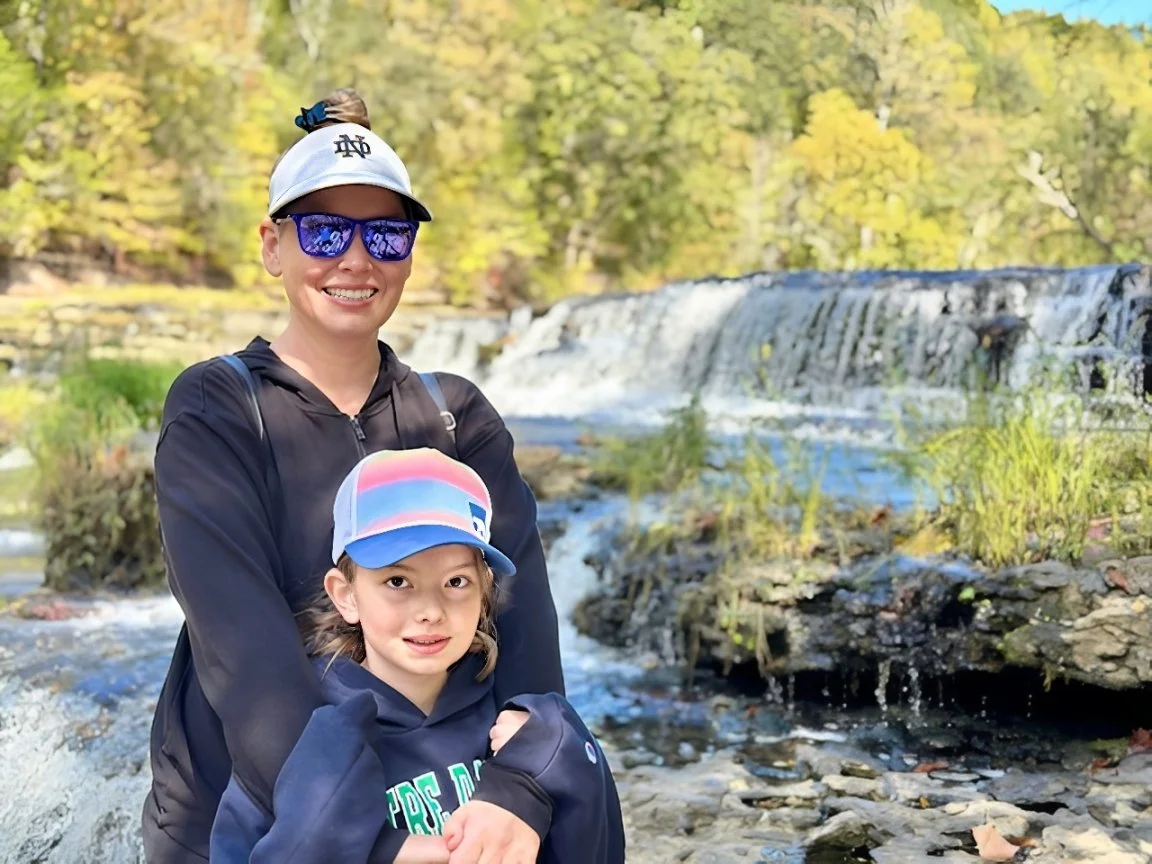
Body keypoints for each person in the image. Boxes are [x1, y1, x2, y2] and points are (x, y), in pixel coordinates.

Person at [142, 88, 564, 863]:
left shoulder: (455, 420)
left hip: (447, 811)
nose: (357, 258)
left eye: (387, 234)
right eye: (325, 229)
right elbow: (247, 660)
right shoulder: (218, 411)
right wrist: (372, 838)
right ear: (272, 246)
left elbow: (527, 633)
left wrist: (525, 790)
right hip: (247, 822)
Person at [209, 448, 625, 864]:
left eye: (456, 581)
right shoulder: (298, 723)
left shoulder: (507, 718)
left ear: (485, 593)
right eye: (397, 581)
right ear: (346, 595)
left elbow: (596, 842)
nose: (430, 610)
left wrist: (558, 744)